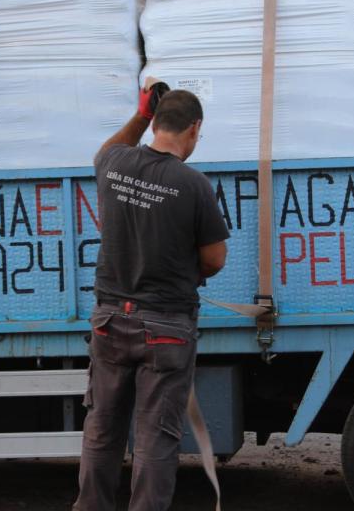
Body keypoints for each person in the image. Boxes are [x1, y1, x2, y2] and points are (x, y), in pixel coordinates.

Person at [73, 78, 229, 511]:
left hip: (109, 321)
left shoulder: (115, 164)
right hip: (166, 329)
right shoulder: (193, 184)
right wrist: (184, 271)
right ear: (194, 129)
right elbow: (215, 259)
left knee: (102, 431)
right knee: (154, 439)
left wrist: (140, 114)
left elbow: (104, 150)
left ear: (155, 122)